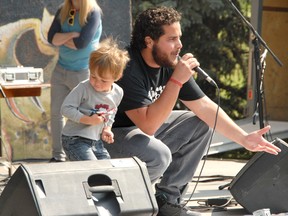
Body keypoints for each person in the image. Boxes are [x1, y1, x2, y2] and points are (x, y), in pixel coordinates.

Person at [105, 6, 281, 216]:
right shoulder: (128, 67)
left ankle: (167, 200)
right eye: (171, 39)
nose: (179, 45)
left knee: (200, 123)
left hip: (141, 132)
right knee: (158, 155)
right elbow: (149, 125)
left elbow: (204, 106)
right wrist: (177, 80)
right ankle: (132, 201)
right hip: (110, 137)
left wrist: (244, 139)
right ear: (149, 41)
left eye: (179, 38)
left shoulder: (169, 62)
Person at [47, 0, 102, 162]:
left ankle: (84, 155)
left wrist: (63, 38)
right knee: (56, 113)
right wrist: (72, 35)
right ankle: (58, 156)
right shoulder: (63, 10)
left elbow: (82, 43)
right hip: (60, 70)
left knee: (85, 114)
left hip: (83, 71)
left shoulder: (93, 12)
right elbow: (51, 38)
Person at [60, 37, 129, 161]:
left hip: (96, 141)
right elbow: (65, 108)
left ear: (117, 77)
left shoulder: (118, 92)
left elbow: (111, 113)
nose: (97, 83)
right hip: (74, 139)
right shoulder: (83, 88)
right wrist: (87, 120)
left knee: (107, 170)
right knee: (93, 170)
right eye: (93, 76)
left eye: (103, 80)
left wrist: (107, 128)